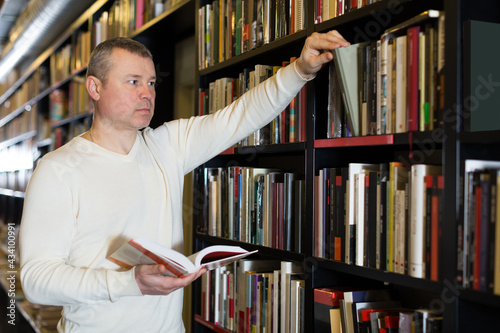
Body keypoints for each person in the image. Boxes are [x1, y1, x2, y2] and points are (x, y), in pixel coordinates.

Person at [19, 30, 350, 332]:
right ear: (95, 87)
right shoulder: (58, 169)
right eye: (133, 82)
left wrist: (301, 70)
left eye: (151, 83)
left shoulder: (167, 145)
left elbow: (240, 116)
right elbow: (36, 281)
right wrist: (130, 282)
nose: (147, 93)